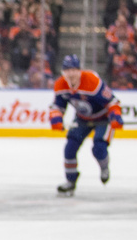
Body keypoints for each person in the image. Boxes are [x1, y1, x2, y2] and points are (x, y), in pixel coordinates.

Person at [49, 55, 123, 196]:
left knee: (99, 147)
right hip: (82, 119)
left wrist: (115, 116)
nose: (70, 74)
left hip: (103, 117)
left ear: (79, 70)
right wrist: (56, 118)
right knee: (70, 147)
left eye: (73, 70)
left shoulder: (92, 81)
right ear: (63, 72)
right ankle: (70, 182)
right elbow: (58, 105)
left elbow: (112, 101)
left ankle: (104, 167)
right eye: (67, 70)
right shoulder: (60, 85)